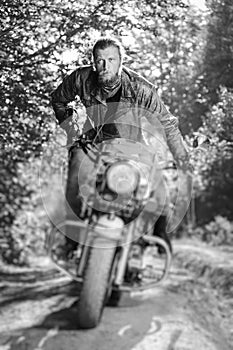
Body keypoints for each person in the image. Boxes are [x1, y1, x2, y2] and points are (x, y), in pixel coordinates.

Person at [51, 36, 190, 257]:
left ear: (121, 62)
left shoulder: (141, 88)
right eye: (99, 60)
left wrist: (182, 158)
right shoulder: (80, 78)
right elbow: (58, 99)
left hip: (132, 146)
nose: (104, 66)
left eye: (111, 59)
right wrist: (72, 130)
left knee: (157, 182)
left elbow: (168, 124)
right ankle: (71, 240)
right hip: (92, 144)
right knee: (74, 180)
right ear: (93, 62)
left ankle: (161, 233)